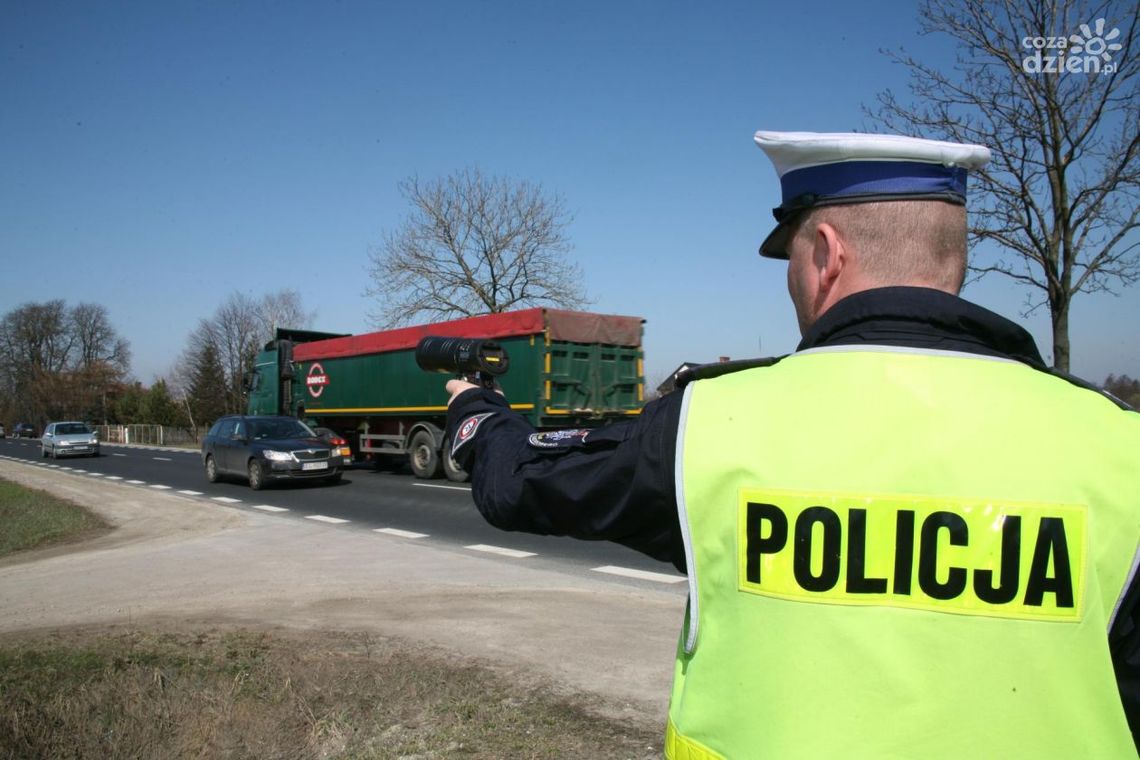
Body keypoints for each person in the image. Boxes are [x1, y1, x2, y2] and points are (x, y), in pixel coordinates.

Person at [442, 131, 1140, 759]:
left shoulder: (710, 425)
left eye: (791, 257)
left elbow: (518, 483)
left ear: (828, 255)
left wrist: (476, 409)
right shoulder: (1117, 442)